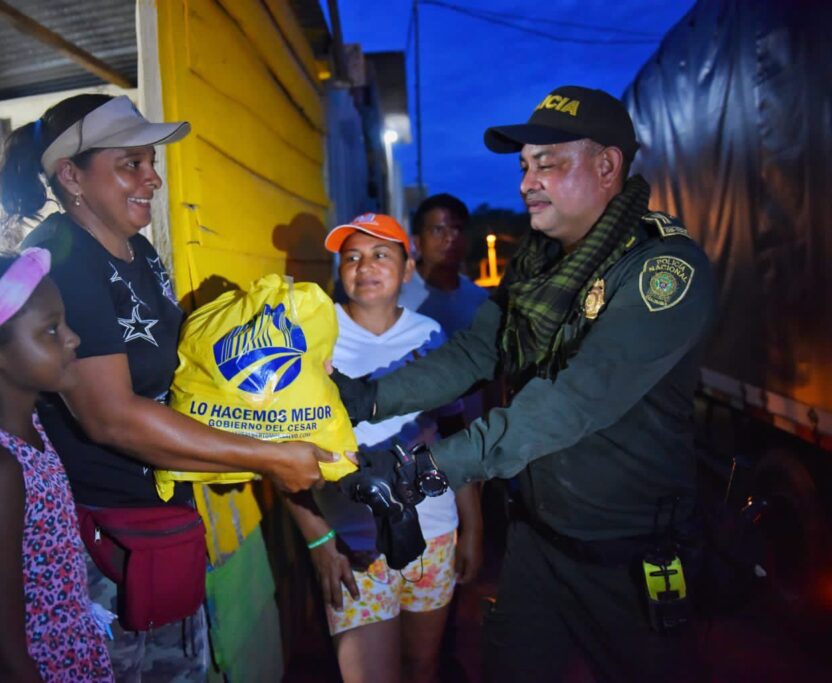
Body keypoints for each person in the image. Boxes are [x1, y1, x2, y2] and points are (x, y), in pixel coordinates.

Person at [333, 86, 715, 681]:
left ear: (607, 166)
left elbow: (568, 405)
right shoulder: (539, 261)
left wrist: (420, 471)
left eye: (549, 163)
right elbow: (472, 354)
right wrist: (363, 397)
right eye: (524, 166)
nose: (526, 182)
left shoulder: (662, 270)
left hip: (626, 552)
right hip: (539, 541)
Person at [0, 94, 334, 681]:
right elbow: (111, 418)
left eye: (151, 161)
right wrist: (268, 457)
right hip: (98, 540)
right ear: (71, 175)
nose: (152, 177)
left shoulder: (139, 250)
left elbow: (181, 366)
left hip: (160, 517)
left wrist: (285, 368)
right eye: (131, 164)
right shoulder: (60, 258)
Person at [285, 214, 483, 683]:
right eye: (351, 257)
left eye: (380, 255)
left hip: (434, 534)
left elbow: (455, 434)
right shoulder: (312, 333)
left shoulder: (430, 334)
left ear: (407, 269)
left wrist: (473, 526)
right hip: (353, 544)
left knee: (422, 666)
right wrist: (318, 540)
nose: (364, 266)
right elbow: (281, 448)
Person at [0, 249, 113, 682]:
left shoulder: (32, 428)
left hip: (76, 652)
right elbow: (4, 645)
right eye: (51, 330)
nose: (73, 338)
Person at [398, 193, 487, 338]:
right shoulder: (395, 296)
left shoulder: (479, 300)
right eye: (438, 230)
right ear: (417, 242)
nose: (450, 238)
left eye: (457, 229)